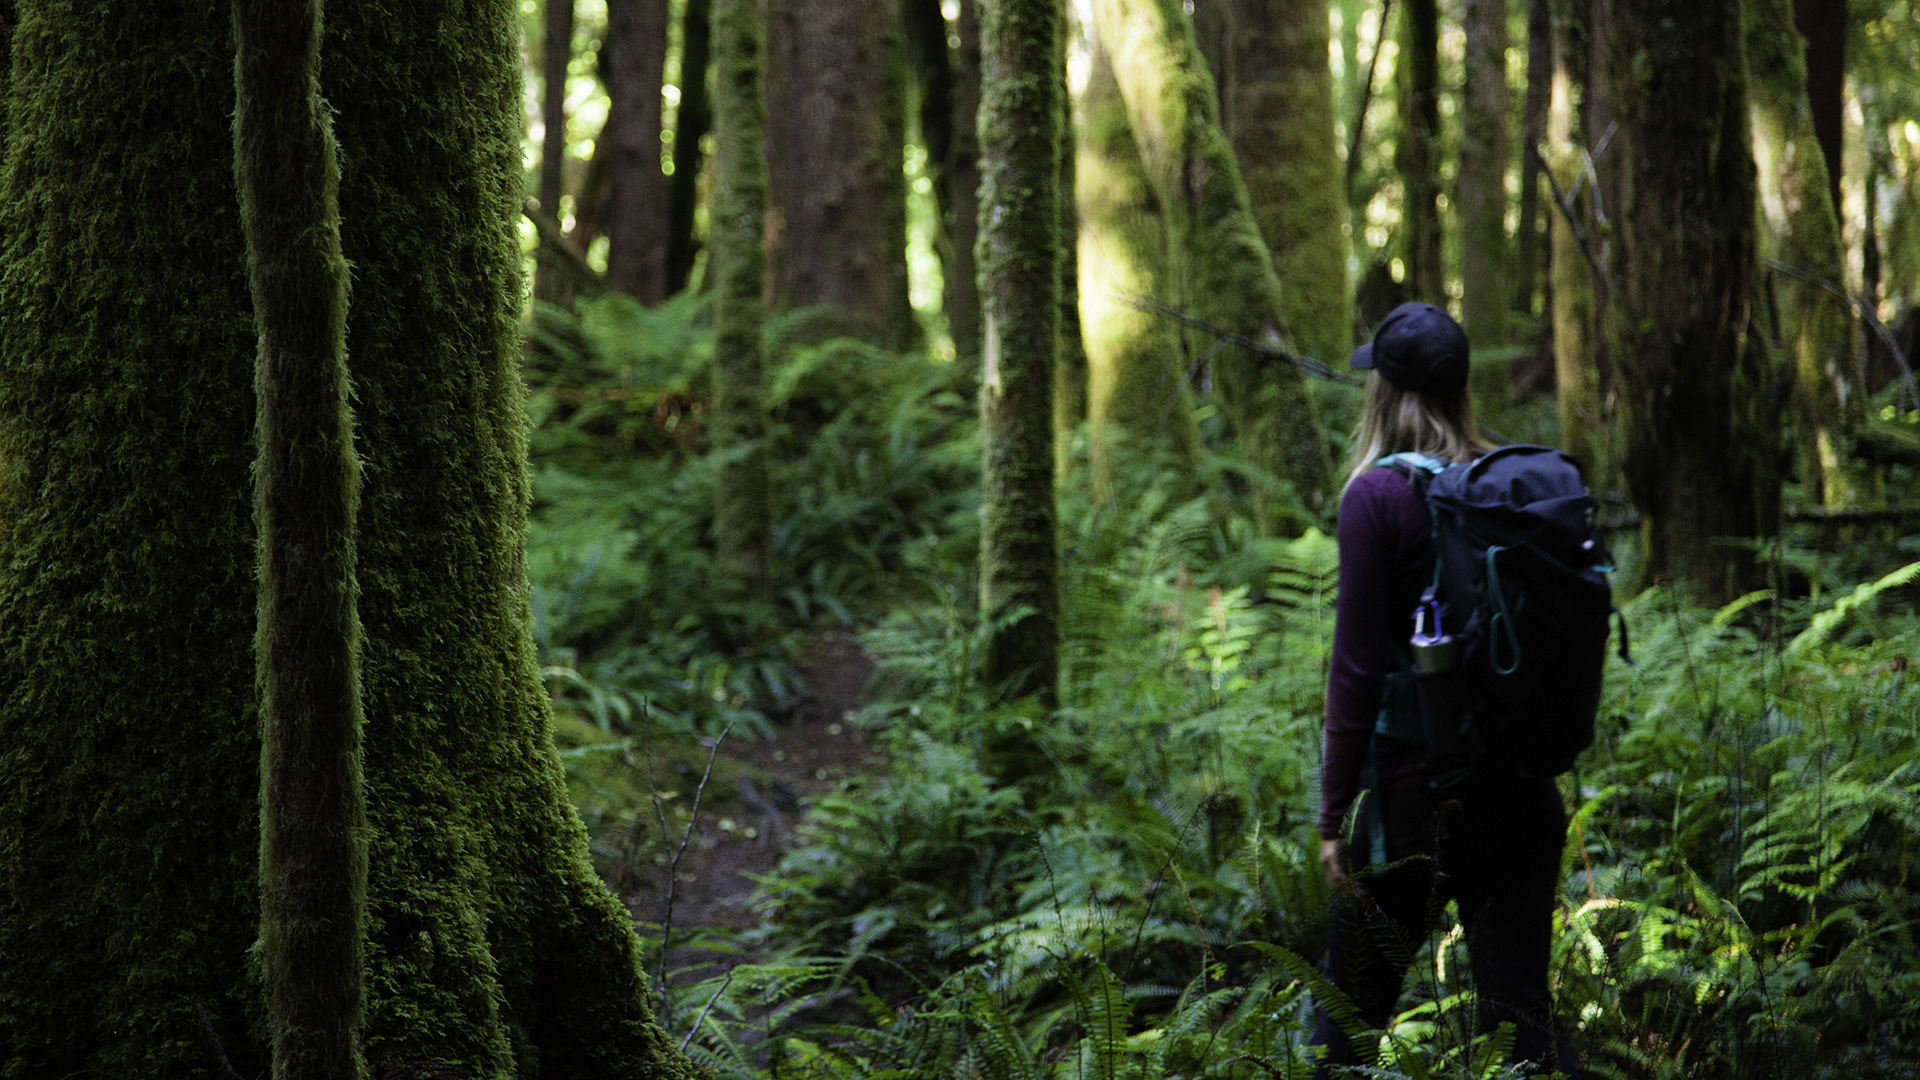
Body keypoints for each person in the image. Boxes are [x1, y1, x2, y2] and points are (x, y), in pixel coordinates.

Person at [1308, 302, 1576, 1077]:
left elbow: (1356, 673)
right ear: (1461, 388)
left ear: (1383, 394)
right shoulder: (1514, 485)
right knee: (1524, 1027)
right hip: (1524, 799)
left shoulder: (1375, 499)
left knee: (1346, 1035)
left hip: (1411, 804)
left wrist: (1333, 818)